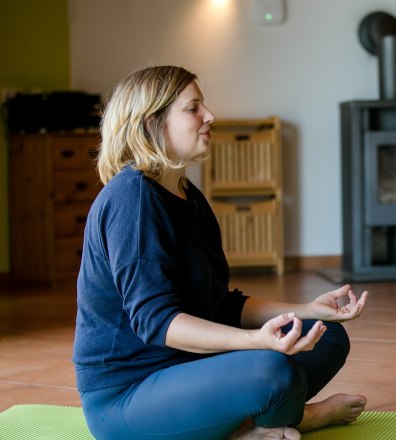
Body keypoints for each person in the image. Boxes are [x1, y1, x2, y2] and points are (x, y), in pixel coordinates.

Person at [72, 65, 369, 440]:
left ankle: (249, 424)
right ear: (152, 124)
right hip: (126, 399)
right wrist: (256, 341)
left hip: (186, 369)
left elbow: (222, 304)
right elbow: (159, 323)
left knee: (326, 335)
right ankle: (295, 418)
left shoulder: (188, 196)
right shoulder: (131, 199)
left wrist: (309, 309)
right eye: (193, 107)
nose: (209, 116)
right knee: (272, 370)